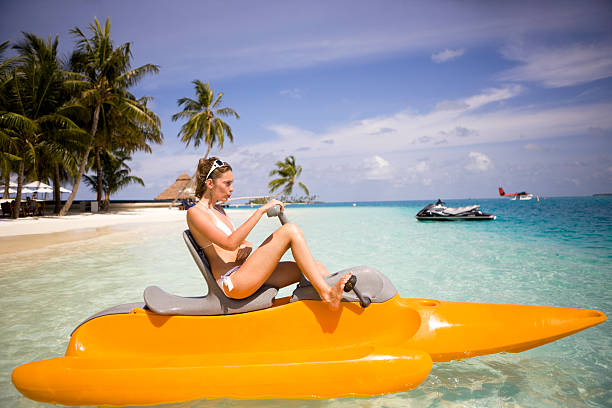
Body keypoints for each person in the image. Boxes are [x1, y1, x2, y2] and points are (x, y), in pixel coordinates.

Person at [186, 157, 351, 311]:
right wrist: (261, 210)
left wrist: (247, 245)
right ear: (210, 183)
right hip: (233, 283)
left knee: (315, 266)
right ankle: (328, 295)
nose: (232, 189)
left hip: (245, 273)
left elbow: (238, 241)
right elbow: (230, 243)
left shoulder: (219, 210)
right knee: (290, 230)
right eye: (227, 183)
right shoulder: (195, 213)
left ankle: (339, 303)